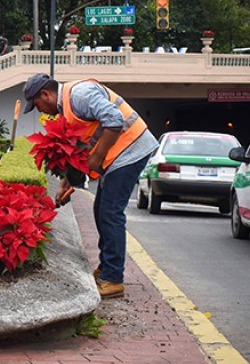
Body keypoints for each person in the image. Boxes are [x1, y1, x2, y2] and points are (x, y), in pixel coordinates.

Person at [22, 73, 157, 299]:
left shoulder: (80, 95)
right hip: (117, 157)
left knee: (110, 212)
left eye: (37, 105)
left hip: (130, 151)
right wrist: (67, 181)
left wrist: (96, 160)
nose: (40, 111)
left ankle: (113, 279)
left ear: (46, 94)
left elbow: (114, 120)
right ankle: (107, 269)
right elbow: (85, 143)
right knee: (101, 209)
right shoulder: (67, 108)